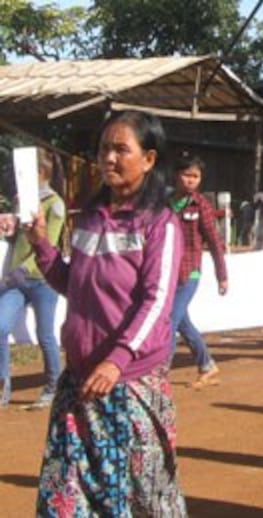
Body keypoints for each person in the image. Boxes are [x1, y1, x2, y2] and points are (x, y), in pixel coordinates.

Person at [28, 111, 186, 515]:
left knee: (143, 502)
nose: (109, 158)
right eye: (104, 149)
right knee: (64, 501)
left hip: (129, 388)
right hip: (79, 385)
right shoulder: (91, 216)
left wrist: (117, 362)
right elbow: (72, 284)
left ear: (148, 159)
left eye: (121, 149)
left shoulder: (161, 224)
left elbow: (157, 302)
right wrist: (43, 246)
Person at [0, 148, 65, 409]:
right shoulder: (20, 201)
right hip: (17, 278)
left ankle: (52, 386)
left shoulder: (54, 203)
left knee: (45, 335)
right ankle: (3, 384)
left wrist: (23, 269)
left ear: (40, 173)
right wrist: (7, 230)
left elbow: (47, 241)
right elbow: (18, 239)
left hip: (42, 279)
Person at [168, 153, 228, 388]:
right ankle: (207, 365)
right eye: (187, 175)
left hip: (189, 273)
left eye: (196, 176)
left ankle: (158, 373)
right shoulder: (164, 203)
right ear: (176, 175)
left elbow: (214, 241)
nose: (191, 180)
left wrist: (221, 276)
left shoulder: (201, 205)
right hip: (167, 273)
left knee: (169, 322)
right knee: (182, 322)